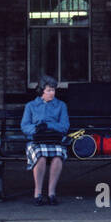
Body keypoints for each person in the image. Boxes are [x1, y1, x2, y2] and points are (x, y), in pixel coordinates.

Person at [21, 75, 69, 205]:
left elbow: (64, 126)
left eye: (53, 90)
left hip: (54, 139)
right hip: (36, 140)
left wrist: (48, 126)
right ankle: (38, 193)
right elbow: (25, 126)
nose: (51, 93)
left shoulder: (61, 105)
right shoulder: (31, 106)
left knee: (58, 156)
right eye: (48, 90)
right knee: (40, 157)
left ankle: (51, 193)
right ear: (42, 90)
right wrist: (37, 129)